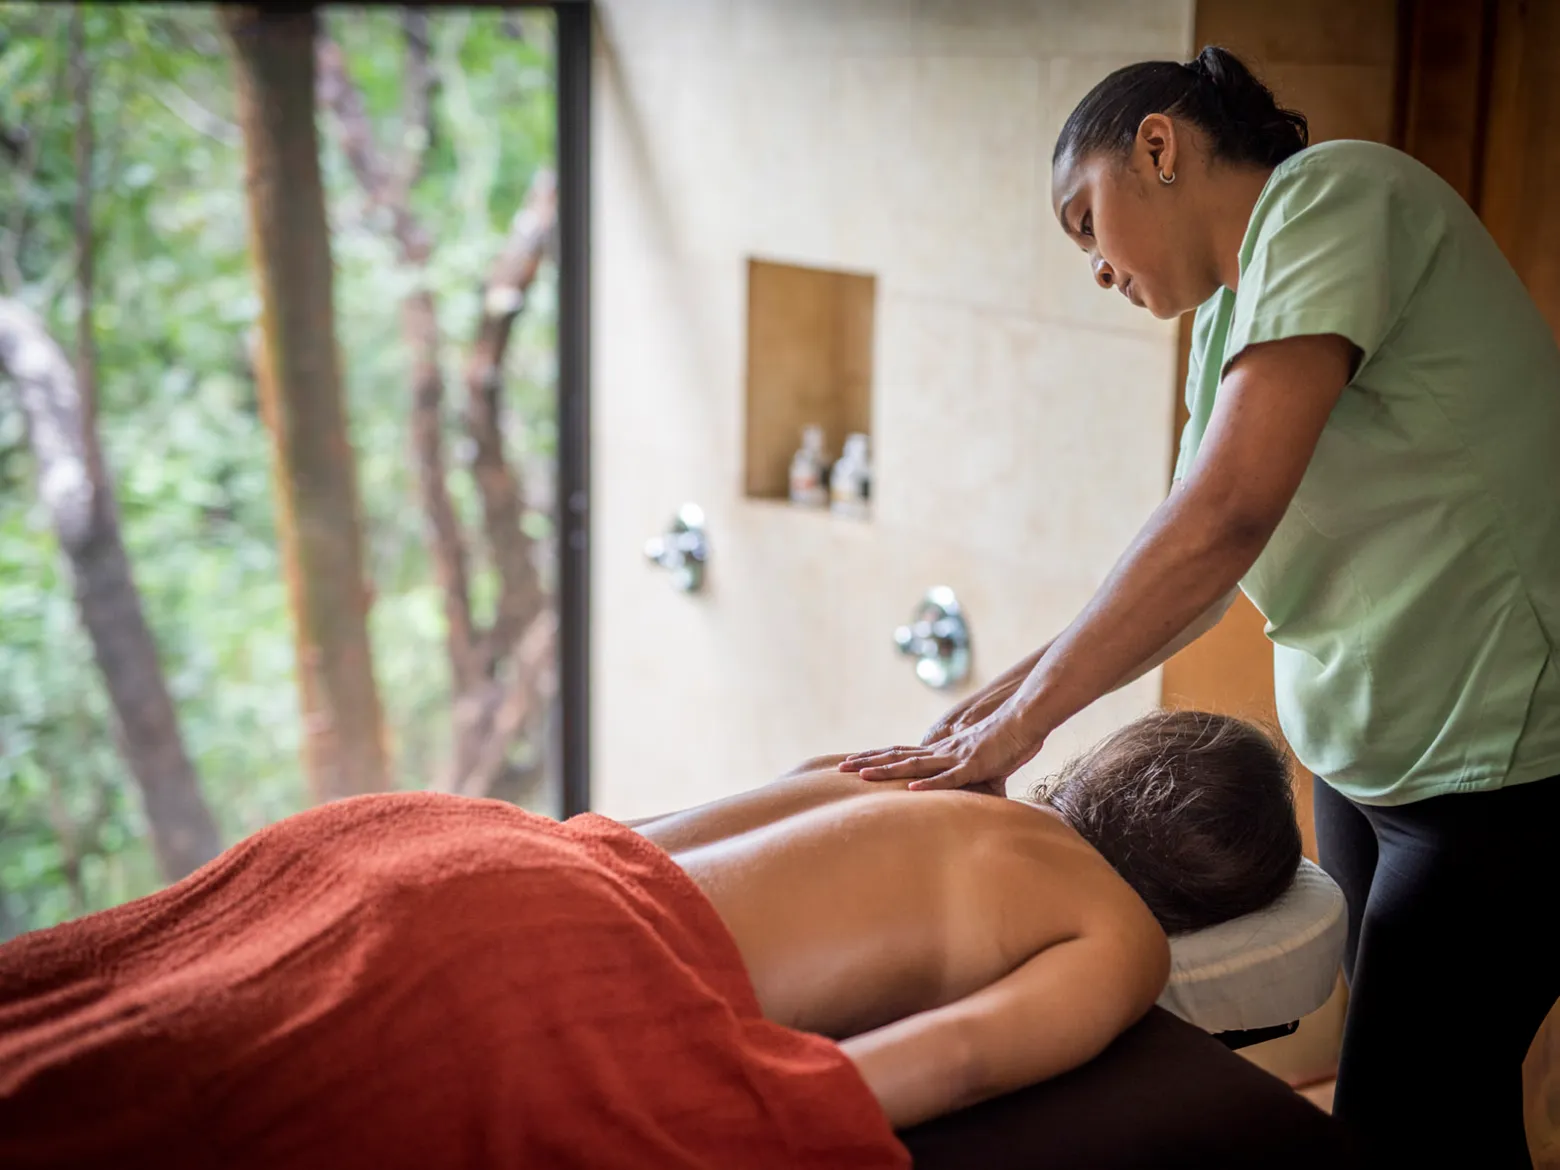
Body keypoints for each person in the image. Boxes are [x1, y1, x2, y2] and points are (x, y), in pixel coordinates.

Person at [841, 44, 1560, 1168]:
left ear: (1158, 146)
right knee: (1444, 1116)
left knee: (1401, 1123)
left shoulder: (1335, 196)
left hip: (1506, 756)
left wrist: (1021, 727)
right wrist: (985, 712)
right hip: (1372, 751)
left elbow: (1225, 517)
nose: (1096, 269)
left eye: (1087, 222)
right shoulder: (1228, 324)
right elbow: (1189, 575)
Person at [0, 710, 1297, 1168]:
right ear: (1213, 898)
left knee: (121, 1025)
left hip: (458, 851)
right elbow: (950, 1064)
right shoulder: (1117, 933)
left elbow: (666, 829)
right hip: (566, 972)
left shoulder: (934, 775)